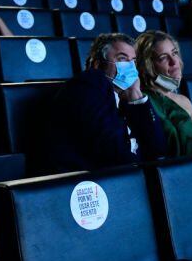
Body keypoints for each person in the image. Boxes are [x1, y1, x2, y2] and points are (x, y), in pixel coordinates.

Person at [42, 33, 166, 172]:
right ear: (97, 63)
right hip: (87, 181)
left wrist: (136, 95)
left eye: (133, 61)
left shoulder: (124, 98)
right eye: (122, 59)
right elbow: (111, 150)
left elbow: (158, 148)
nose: (130, 67)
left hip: (123, 176)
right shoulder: (90, 82)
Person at [135, 31, 192, 156]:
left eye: (174, 53)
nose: (174, 61)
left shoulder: (184, 100)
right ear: (148, 65)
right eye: (163, 57)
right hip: (180, 169)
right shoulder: (142, 101)